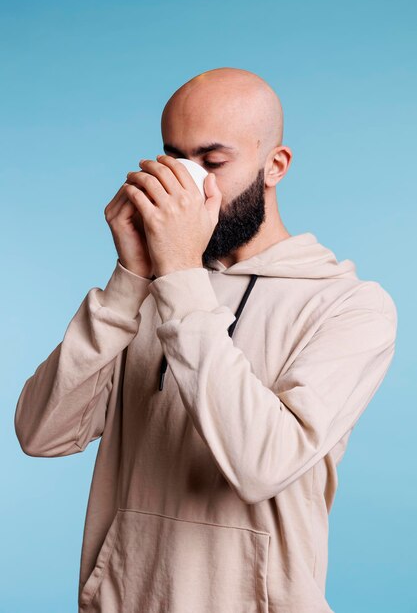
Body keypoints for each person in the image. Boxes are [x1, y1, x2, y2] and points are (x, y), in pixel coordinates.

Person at [14, 67, 397, 613]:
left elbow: (262, 465)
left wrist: (179, 280)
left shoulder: (350, 306)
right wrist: (131, 280)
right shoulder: (147, 290)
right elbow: (41, 433)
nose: (193, 184)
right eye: (176, 160)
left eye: (213, 162)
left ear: (275, 165)